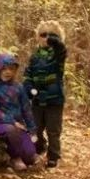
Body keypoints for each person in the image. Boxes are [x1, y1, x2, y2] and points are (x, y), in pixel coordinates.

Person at [24, 21, 68, 168]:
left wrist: (55, 41)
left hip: (54, 100)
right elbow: (28, 74)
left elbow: (62, 50)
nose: (46, 38)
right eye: (43, 35)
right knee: (35, 128)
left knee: (53, 130)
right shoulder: (34, 56)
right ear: (38, 37)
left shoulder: (57, 55)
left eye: (51, 35)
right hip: (37, 100)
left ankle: (53, 156)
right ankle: (39, 146)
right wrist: (28, 87)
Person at [0, 50, 38, 171]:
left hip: (19, 126)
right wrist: (12, 121)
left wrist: (32, 129)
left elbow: (26, 109)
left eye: (11, 69)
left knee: (30, 155)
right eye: (4, 69)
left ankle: (25, 156)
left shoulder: (19, 87)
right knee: (11, 130)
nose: (8, 72)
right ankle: (15, 158)